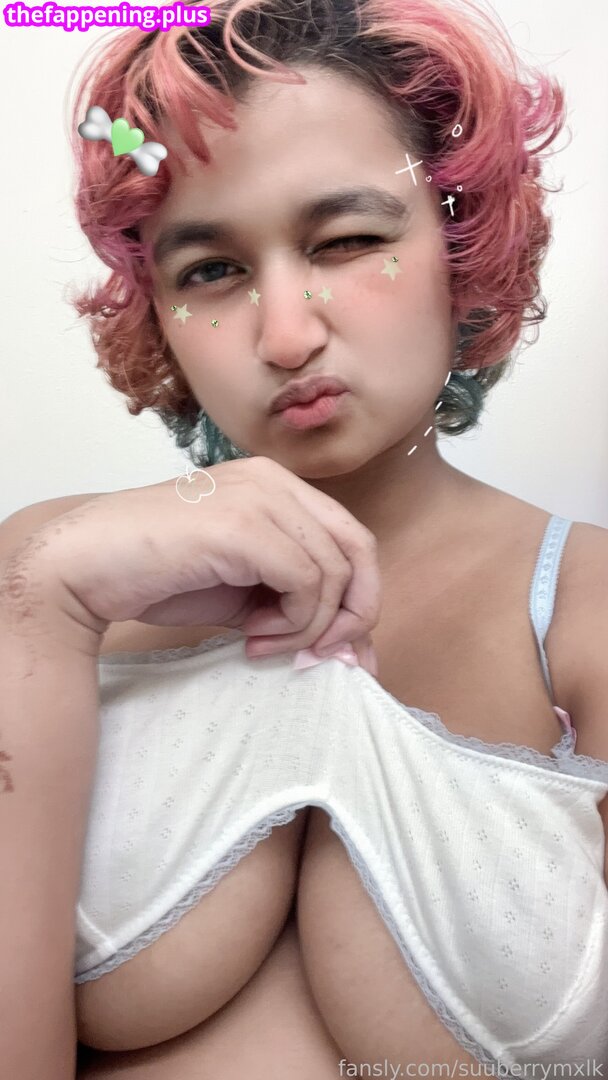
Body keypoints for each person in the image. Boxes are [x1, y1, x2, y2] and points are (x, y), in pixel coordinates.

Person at [2, 0, 608, 1076]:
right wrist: (39, 605)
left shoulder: (585, 612)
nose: (285, 335)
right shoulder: (56, 574)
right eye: (210, 270)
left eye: (348, 241)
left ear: (461, 245)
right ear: (156, 311)